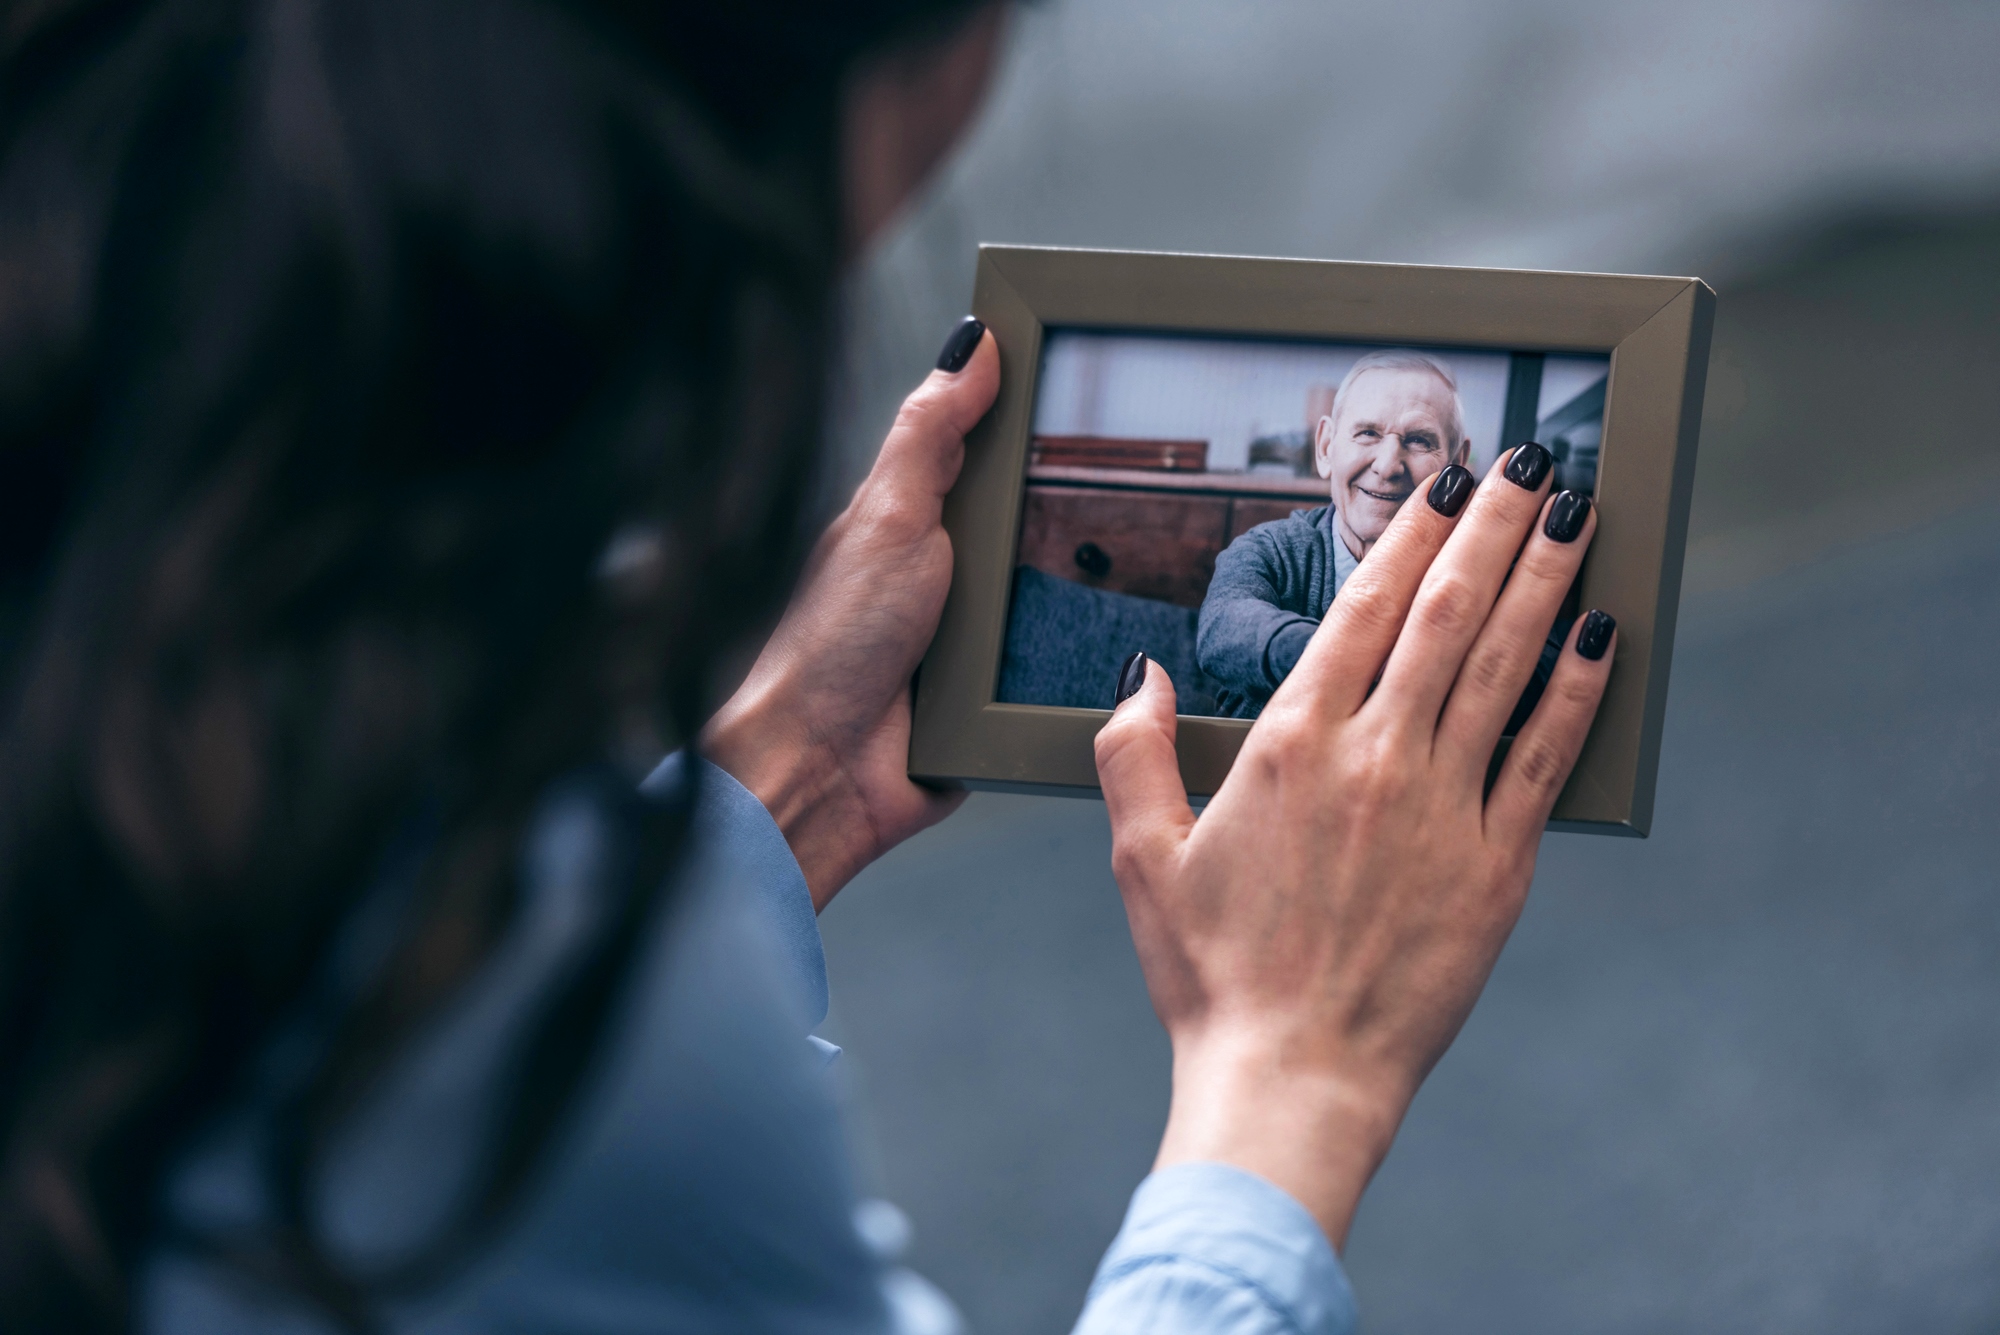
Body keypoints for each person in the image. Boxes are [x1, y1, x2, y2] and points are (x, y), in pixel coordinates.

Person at [0, 4, 1617, 1334]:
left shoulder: (162, 693)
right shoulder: (555, 1010)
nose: (1402, 465)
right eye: (1377, 435)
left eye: (1431, 441)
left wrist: (769, 795)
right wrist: (1295, 1076)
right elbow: (1240, 637)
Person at [1197, 349, 1480, 717]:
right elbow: (1222, 627)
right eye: (1367, 433)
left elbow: (1538, 666)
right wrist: (1354, 658)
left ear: (1457, 463)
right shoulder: (1269, 548)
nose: (1387, 465)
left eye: (1419, 441)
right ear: (1327, 447)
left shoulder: (1480, 568)